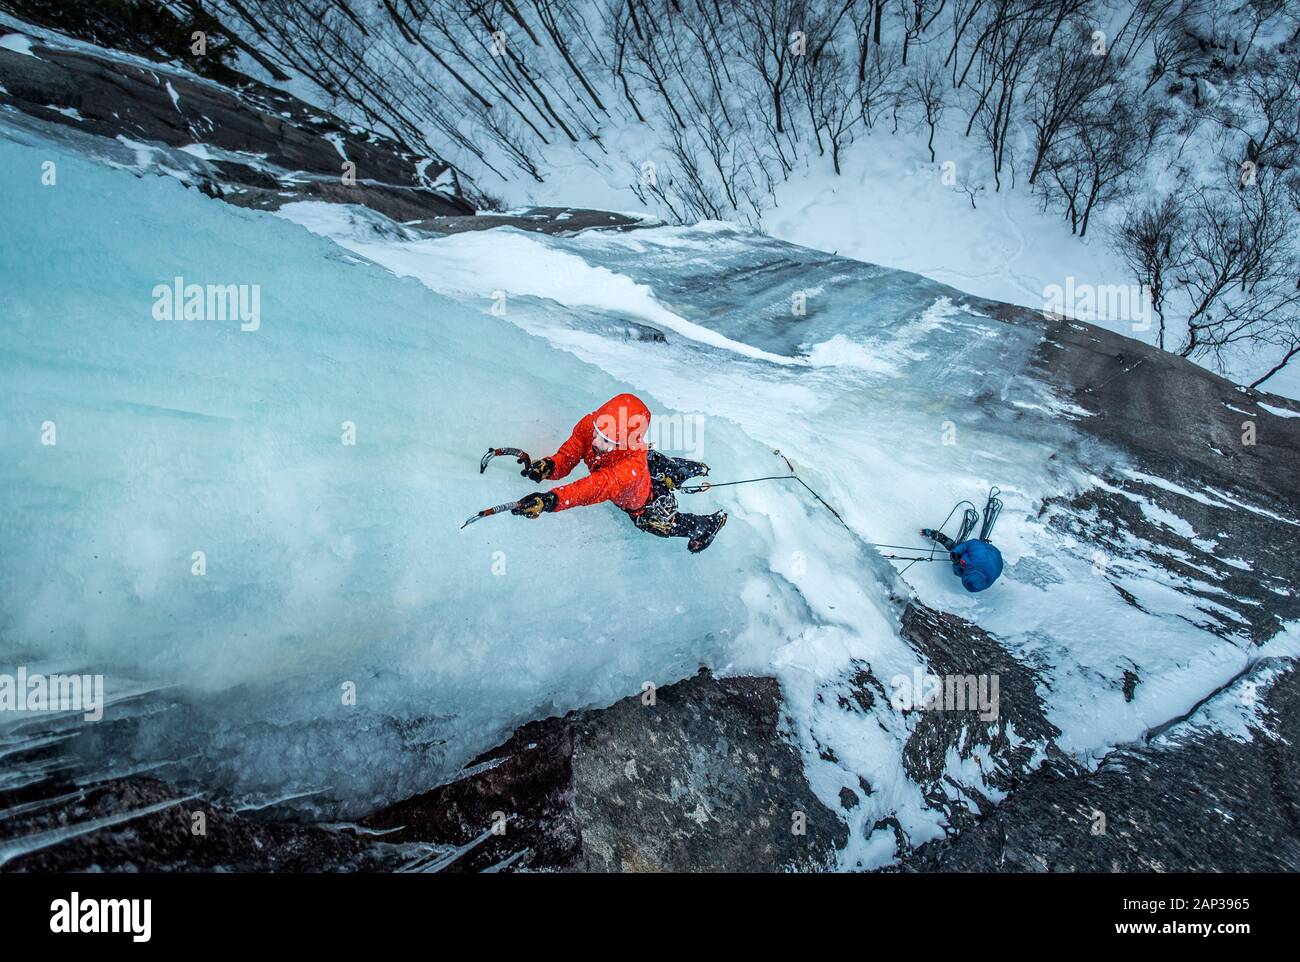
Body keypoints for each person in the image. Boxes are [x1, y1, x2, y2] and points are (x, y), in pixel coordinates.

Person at [510, 393, 728, 554]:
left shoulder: (628, 467)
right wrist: (550, 466)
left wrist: (551, 500)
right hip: (641, 464)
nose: (596, 441)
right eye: (598, 432)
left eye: (607, 440)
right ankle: (677, 468)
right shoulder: (591, 425)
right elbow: (571, 452)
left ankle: (707, 524)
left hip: (641, 497)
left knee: (657, 524)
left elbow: (597, 486)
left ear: (624, 441)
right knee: (652, 462)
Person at [920, 487, 1004, 592]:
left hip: (992, 563)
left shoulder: (979, 583)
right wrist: (956, 551)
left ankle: (948, 545)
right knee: (955, 548)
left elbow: (962, 572)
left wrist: (956, 565)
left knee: (958, 558)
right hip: (989, 552)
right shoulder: (978, 555)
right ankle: (938, 536)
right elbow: (974, 543)